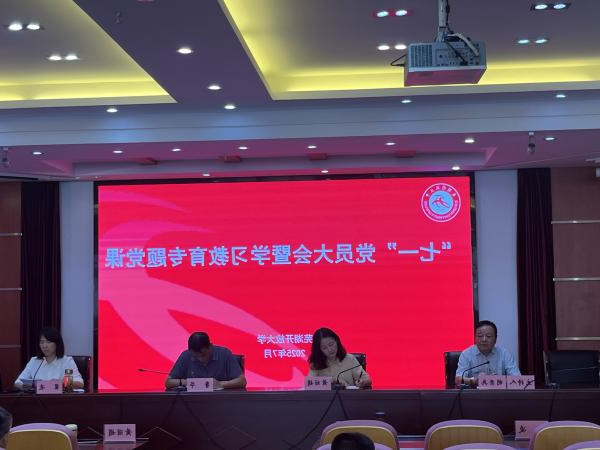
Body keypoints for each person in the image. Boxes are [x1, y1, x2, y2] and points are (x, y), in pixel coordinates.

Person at [165, 332, 246, 389]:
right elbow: (168, 382)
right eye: (196, 356)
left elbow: (242, 381)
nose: (200, 359)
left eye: (203, 355)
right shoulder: (186, 356)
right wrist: (187, 382)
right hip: (193, 401)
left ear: (210, 346)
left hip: (221, 400)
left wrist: (220, 384)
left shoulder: (224, 354)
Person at [455, 320, 521, 387]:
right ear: (475, 338)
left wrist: (496, 380)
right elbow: (458, 380)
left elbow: (517, 379)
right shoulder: (466, 354)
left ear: (495, 339)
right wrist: (475, 380)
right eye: (480, 336)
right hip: (474, 392)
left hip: (498, 392)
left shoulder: (505, 354)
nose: (484, 339)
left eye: (488, 336)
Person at [14, 327, 84, 390]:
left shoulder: (67, 362)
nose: (44, 346)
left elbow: (80, 383)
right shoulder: (34, 361)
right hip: (37, 399)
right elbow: (17, 382)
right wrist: (27, 386)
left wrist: (61, 383)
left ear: (57, 343)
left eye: (48, 342)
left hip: (60, 399)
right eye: (42, 342)